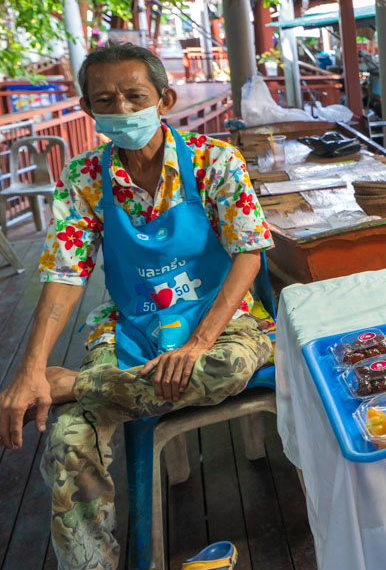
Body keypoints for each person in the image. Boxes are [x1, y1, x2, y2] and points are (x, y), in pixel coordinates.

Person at [0, 42, 275, 570]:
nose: (122, 110)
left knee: (229, 367)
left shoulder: (215, 160)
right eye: (106, 100)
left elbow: (248, 254)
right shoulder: (85, 178)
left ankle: (78, 385)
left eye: (134, 96)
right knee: (64, 440)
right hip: (134, 325)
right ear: (89, 109)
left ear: (164, 98)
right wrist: (31, 369)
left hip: (221, 322)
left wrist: (198, 343)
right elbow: (65, 271)